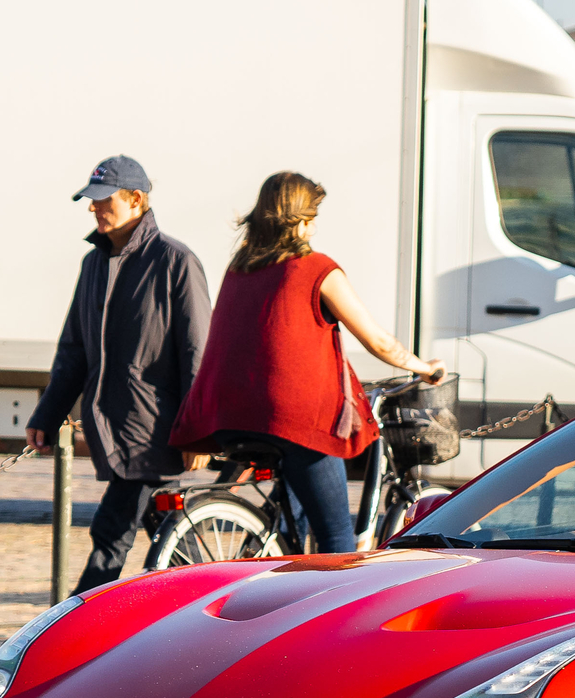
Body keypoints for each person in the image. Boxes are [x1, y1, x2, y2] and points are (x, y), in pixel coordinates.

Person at [170, 171, 443, 554]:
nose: (314, 225)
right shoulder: (318, 269)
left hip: (231, 416)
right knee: (336, 538)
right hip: (292, 417)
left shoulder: (239, 268)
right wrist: (423, 368)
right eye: (311, 215)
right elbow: (377, 341)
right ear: (297, 220)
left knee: (299, 521)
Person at [28, 154, 212, 592]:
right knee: (172, 539)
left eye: (103, 200)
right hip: (115, 426)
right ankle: (210, 606)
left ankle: (71, 626)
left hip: (157, 429)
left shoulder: (175, 261)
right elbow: (74, 350)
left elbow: (196, 354)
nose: (94, 208)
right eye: (90, 201)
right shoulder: (93, 264)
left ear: (137, 199)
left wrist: (197, 431)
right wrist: (47, 414)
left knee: (112, 536)